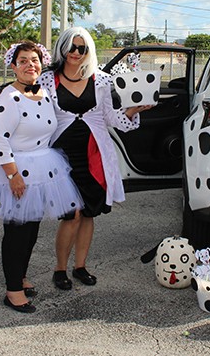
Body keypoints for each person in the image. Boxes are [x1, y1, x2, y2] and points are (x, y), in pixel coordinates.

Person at [38, 27, 151, 290]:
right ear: (62, 48)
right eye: (72, 47)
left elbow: (110, 117)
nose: (76, 53)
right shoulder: (47, 80)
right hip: (61, 155)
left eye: (83, 48)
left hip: (94, 154)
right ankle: (59, 268)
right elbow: (39, 118)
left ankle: (80, 266)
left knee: (88, 212)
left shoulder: (99, 80)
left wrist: (134, 110)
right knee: (71, 214)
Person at [0, 41, 82, 312]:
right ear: (13, 65)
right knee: (17, 232)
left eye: (35, 60)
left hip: (43, 167)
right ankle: (12, 291)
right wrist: (12, 174)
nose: (30, 65)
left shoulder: (44, 93)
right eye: (23, 60)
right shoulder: (8, 97)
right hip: (17, 170)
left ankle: (21, 277)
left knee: (31, 230)